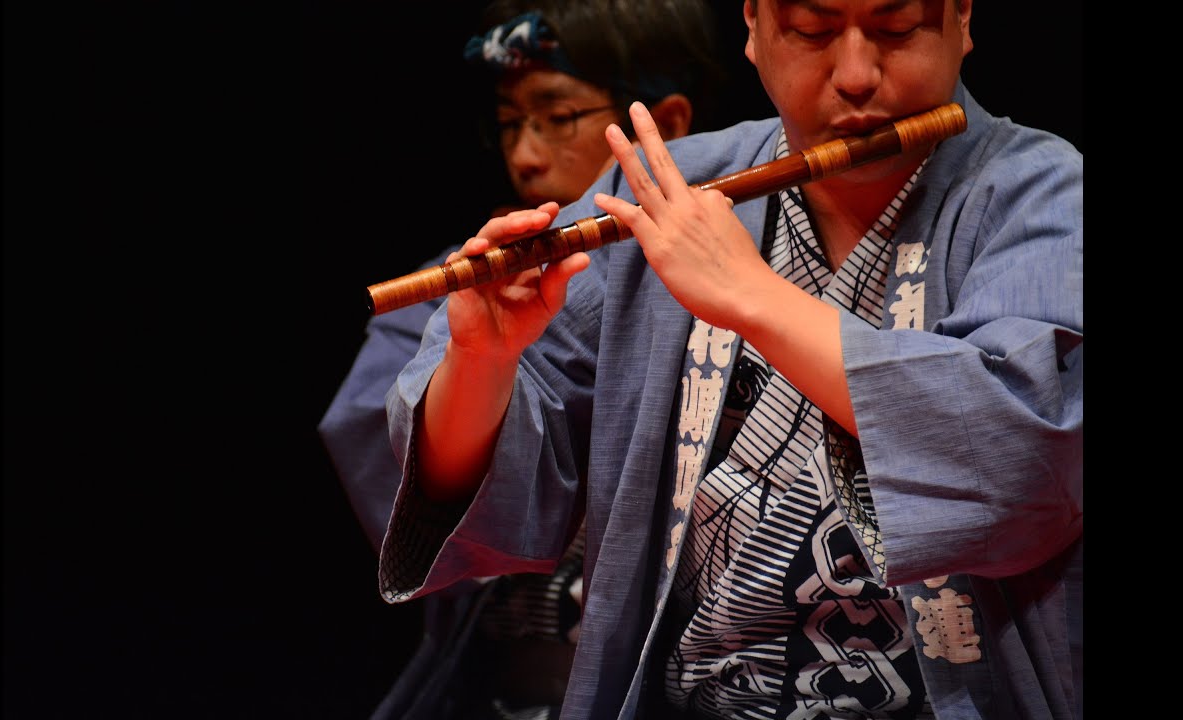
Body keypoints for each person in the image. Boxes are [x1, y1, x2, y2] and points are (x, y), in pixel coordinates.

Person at [378, 0, 1082, 718]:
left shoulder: (1042, 192)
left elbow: (1027, 466)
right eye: (812, 31)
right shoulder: (667, 193)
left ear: (962, 18)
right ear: (753, 26)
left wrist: (752, 297)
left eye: (897, 29)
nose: (858, 74)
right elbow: (492, 473)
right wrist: (482, 357)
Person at [318, 1, 726, 717]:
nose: (527, 154)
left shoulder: (740, 281)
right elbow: (386, 458)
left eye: (557, 116)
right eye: (511, 123)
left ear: (669, 125)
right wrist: (480, 370)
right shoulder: (460, 285)